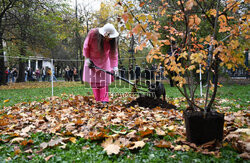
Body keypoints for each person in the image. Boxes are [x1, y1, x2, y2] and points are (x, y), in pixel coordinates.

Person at [83, 23, 119, 104]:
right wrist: (87, 58)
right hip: (91, 61)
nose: (109, 39)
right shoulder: (93, 34)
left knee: (104, 82)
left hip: (104, 62)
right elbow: (86, 46)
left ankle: (104, 100)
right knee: (94, 82)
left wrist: (115, 67)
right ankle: (98, 100)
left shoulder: (112, 41)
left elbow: (113, 54)